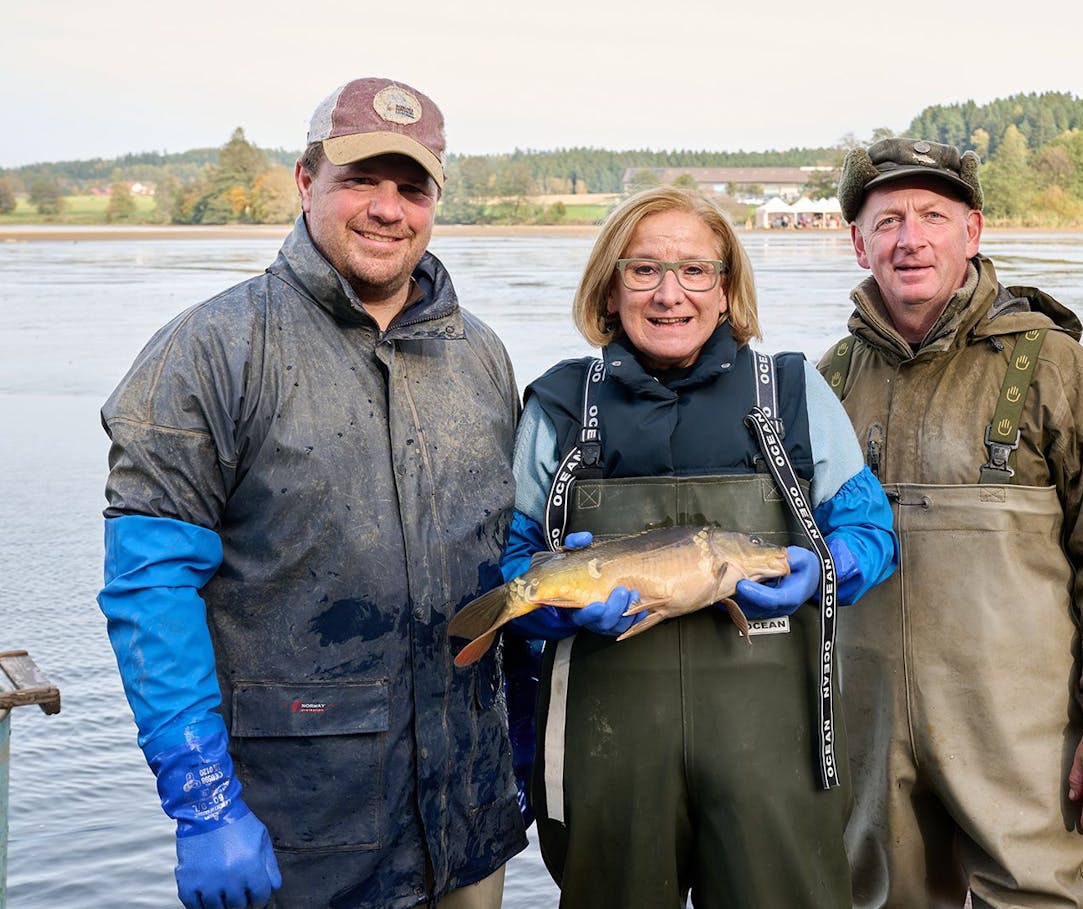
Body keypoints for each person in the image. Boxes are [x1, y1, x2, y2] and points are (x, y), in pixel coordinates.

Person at [97, 77, 526, 909]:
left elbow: (499, 556)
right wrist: (204, 804)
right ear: (304, 181)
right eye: (359, 180)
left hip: (466, 829)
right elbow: (150, 591)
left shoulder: (482, 358)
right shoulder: (210, 350)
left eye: (412, 188)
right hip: (298, 836)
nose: (387, 209)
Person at [497, 186, 897, 908]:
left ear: (727, 289)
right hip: (606, 755)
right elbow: (508, 564)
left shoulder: (794, 394)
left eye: (695, 271)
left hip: (775, 758)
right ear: (609, 290)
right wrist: (553, 610)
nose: (669, 294)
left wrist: (824, 568)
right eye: (643, 269)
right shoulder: (559, 406)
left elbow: (872, 530)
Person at [819, 137, 1083, 908]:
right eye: (889, 219)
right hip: (872, 741)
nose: (911, 239)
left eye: (934, 215)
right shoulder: (825, 380)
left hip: (1024, 743)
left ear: (972, 232)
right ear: (857, 241)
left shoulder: (1058, 370)